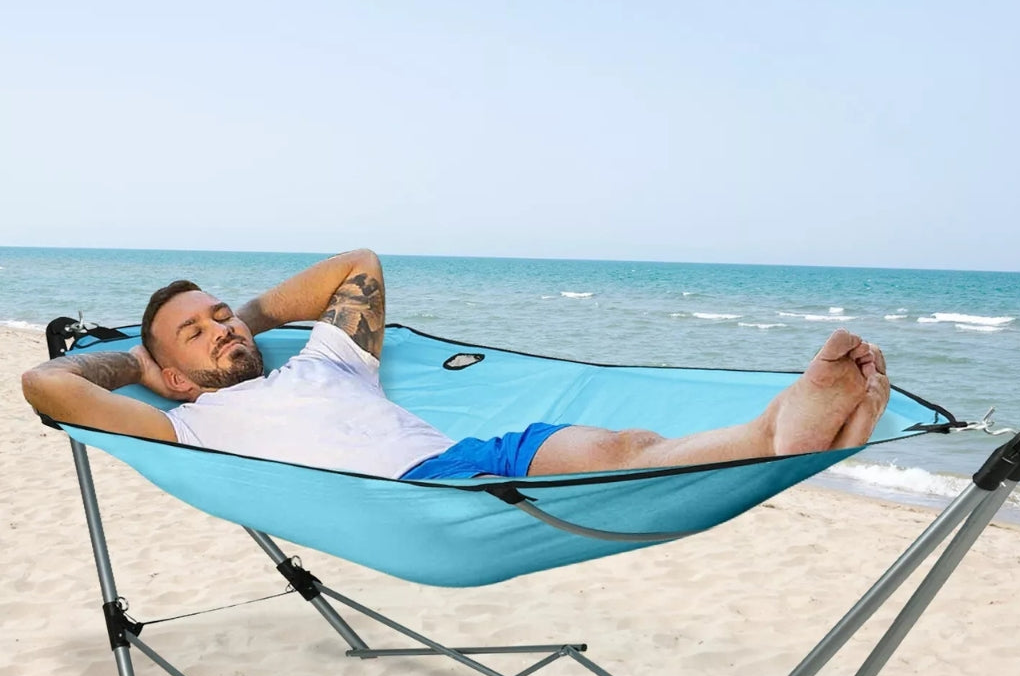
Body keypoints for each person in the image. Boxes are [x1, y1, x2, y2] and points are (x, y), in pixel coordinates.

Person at [21, 249, 890, 479]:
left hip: (463, 463)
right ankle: (778, 433)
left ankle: (777, 433)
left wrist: (236, 324)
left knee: (620, 446)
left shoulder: (326, 361)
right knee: (614, 456)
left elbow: (356, 266)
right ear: (170, 374)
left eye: (221, 315)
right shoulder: (185, 423)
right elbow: (43, 384)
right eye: (196, 333)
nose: (221, 329)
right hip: (412, 497)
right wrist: (138, 365)